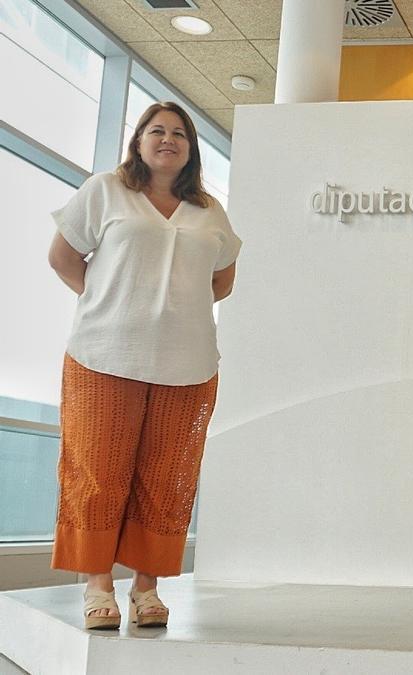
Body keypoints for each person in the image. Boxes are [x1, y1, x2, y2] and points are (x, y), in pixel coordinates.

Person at [47, 101, 241, 630]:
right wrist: (108, 301)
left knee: (166, 477)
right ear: (138, 141)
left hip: (188, 364)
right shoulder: (107, 190)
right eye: (156, 130)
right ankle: (98, 585)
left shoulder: (208, 209)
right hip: (103, 355)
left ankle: (146, 588)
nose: (168, 139)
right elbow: (63, 257)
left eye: (179, 133)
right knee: (99, 471)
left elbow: (224, 278)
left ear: (191, 149)